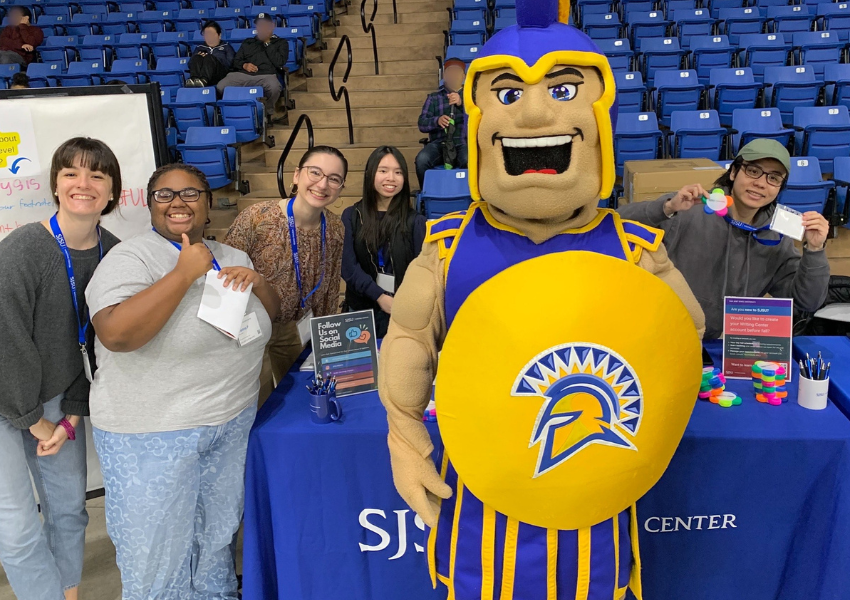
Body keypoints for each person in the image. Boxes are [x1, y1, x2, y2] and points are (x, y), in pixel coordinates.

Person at [86, 163, 278, 598]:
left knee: (215, 544)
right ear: (150, 205)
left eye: (191, 193)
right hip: (153, 432)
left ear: (209, 204)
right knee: (156, 559)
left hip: (228, 425)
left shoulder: (233, 256)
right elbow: (116, 334)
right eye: (165, 194)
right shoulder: (130, 257)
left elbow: (272, 314)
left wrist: (260, 282)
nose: (178, 202)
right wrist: (182, 273)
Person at [0, 137, 123, 600]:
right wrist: (32, 420)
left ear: (112, 191)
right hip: (7, 399)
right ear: (55, 183)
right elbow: (3, 340)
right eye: (71, 173)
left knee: (70, 510)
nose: (83, 184)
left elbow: (92, 344)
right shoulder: (24, 249)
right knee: (16, 526)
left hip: (59, 401)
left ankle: (67, 594)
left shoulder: (115, 253)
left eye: (97, 174)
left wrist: (70, 413)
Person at [618, 138, 830, 339]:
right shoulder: (690, 208)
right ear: (734, 172)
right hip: (662, 334)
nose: (761, 183)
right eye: (753, 171)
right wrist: (666, 208)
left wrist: (814, 249)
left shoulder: (775, 237)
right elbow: (617, 222)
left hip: (720, 346)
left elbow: (807, 301)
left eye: (773, 178)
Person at [225, 146, 347, 385]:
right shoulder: (257, 217)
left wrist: (326, 337)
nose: (322, 185)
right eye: (315, 173)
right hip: (250, 327)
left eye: (334, 179)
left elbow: (331, 287)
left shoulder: (334, 228)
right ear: (296, 175)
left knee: (296, 397)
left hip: (297, 328)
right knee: (257, 401)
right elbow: (225, 275)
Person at [342, 146, 426, 338]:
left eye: (398, 172)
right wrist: (379, 295)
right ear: (370, 174)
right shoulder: (352, 216)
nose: (391, 178)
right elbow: (347, 266)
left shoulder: (415, 221)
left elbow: (421, 269)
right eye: (383, 171)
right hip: (360, 310)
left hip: (401, 311)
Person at [216, 13, 288, 120]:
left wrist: (267, 42)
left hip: (266, 75)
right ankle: (236, 112)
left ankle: (266, 113)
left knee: (274, 87)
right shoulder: (248, 42)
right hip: (244, 75)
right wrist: (244, 65)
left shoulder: (281, 43)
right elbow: (236, 61)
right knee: (221, 86)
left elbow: (279, 62)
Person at [414, 57, 468, 188]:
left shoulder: (471, 96)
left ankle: (470, 197)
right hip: (439, 144)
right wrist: (437, 121)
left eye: (457, 72)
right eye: (449, 72)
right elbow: (422, 123)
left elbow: (481, 119)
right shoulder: (433, 97)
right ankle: (428, 195)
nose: (453, 75)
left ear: (464, 76)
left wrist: (462, 104)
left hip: (463, 143)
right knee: (422, 160)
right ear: (444, 75)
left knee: (469, 161)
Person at [186, 20, 235, 88]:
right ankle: (194, 79)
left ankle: (204, 80)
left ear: (219, 35)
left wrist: (212, 59)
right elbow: (190, 64)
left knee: (209, 58)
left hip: (219, 75)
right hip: (200, 74)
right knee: (197, 57)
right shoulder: (200, 47)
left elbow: (230, 64)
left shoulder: (226, 47)